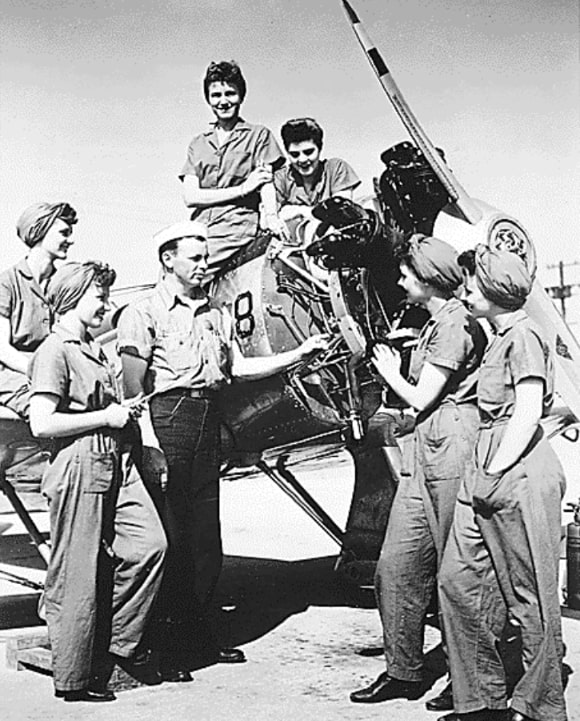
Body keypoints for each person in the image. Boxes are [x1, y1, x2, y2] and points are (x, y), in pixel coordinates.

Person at [116, 220, 330, 681]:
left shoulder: (214, 314)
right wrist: (149, 446)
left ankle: (198, 636)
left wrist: (299, 354)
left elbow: (239, 368)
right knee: (173, 539)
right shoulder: (143, 311)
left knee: (205, 542)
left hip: (208, 419)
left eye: (205, 255)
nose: (203, 263)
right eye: (193, 256)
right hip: (168, 421)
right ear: (167, 260)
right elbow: (134, 388)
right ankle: (166, 648)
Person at [350, 234, 486, 706]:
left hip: (452, 445)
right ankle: (403, 669)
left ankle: (469, 679)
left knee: (457, 573)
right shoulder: (433, 324)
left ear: (429, 278)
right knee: (396, 567)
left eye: (408, 273)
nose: (401, 280)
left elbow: (422, 396)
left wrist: (389, 370)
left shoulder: (454, 325)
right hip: (423, 450)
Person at [438, 245, 567, 721]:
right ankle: (481, 699)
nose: (465, 290)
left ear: (495, 289)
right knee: (458, 580)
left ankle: (540, 706)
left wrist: (494, 472)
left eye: (472, 284)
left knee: (531, 595)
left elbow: (529, 410)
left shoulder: (525, 335)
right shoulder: (498, 337)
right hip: (490, 461)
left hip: (519, 469)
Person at [28, 261, 167, 703]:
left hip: (118, 457)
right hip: (78, 463)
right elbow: (41, 423)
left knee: (150, 546)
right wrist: (105, 416)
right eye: (99, 296)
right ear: (72, 297)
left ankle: (118, 644)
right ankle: (73, 678)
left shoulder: (93, 347)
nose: (106, 304)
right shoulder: (55, 350)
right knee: (77, 572)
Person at [180, 60, 285, 282]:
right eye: (216, 95)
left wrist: (272, 218)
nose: (224, 101)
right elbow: (190, 197)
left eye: (230, 93)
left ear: (241, 96)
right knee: (169, 270)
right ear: (208, 99)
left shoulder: (259, 135)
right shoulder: (198, 143)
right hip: (199, 228)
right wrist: (244, 188)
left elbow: (266, 183)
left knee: (187, 275)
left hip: (236, 226)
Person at [0, 202, 78, 418]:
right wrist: (43, 373)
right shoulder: (7, 283)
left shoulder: (64, 284)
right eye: (64, 233)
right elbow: (2, 349)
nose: (70, 240)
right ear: (40, 231)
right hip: (14, 374)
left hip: (56, 371)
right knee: (46, 412)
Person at [274, 117, 361, 223]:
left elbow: (340, 213)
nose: (302, 159)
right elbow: (270, 218)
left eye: (308, 152)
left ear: (320, 148)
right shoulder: (281, 177)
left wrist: (295, 211)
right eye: (295, 154)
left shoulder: (336, 168)